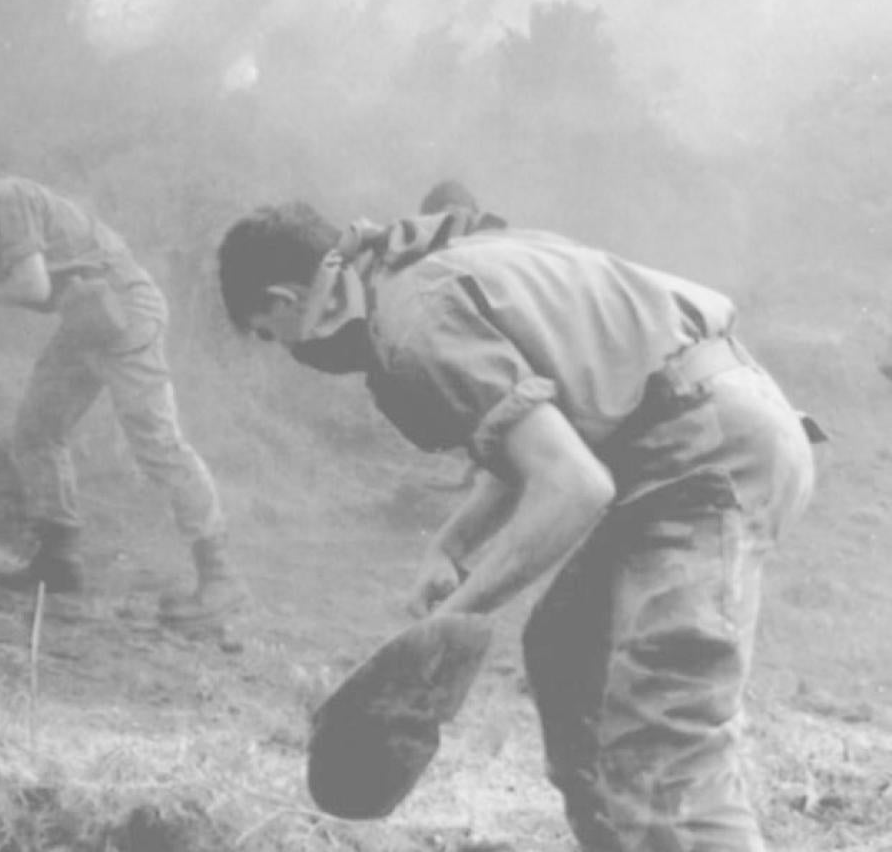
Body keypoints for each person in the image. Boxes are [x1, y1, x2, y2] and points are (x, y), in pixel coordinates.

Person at [216, 201, 818, 851]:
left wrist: (449, 627)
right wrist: (454, 541)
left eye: (272, 332)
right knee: (566, 654)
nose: (290, 351)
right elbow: (544, 426)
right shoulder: (422, 278)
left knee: (666, 750)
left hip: (704, 455)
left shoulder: (415, 323)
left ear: (284, 298)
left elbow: (575, 487)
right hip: (693, 434)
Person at [0, 157, 238, 627]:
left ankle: (220, 575)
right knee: (36, 433)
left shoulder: (4, 200)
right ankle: (59, 560)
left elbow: (32, 284)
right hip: (87, 316)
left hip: (125, 311)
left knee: (158, 444)